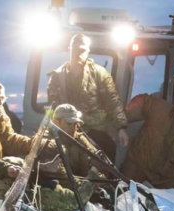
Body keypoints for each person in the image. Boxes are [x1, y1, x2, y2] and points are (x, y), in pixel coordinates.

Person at [47, 34, 129, 163]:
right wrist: (50, 127)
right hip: (67, 130)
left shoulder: (99, 74)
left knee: (106, 153)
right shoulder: (57, 77)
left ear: (88, 52)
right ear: (69, 50)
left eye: (82, 50)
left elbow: (112, 101)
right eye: (75, 49)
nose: (78, 53)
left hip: (94, 129)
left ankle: (105, 182)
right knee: (54, 155)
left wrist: (121, 128)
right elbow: (52, 108)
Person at [120, 94, 174, 195]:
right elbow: (143, 100)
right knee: (118, 189)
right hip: (137, 163)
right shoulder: (160, 108)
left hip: (163, 177)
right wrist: (122, 121)